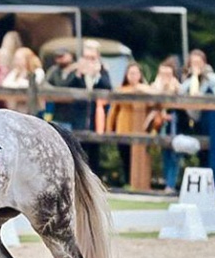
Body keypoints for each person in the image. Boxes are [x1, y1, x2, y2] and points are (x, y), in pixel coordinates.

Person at [66, 39, 112, 175]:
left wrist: (96, 75)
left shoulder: (103, 72)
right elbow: (68, 87)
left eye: (92, 57)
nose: (89, 61)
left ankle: (94, 177)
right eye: (86, 57)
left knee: (94, 150)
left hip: (95, 116)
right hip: (79, 115)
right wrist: (79, 74)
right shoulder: (77, 71)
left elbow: (108, 87)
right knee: (77, 148)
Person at [105, 62, 153, 184]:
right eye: (131, 73)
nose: (133, 76)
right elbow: (113, 112)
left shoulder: (146, 91)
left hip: (141, 128)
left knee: (140, 158)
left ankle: (138, 183)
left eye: (136, 73)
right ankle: (127, 181)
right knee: (125, 157)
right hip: (123, 127)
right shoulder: (121, 91)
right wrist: (109, 129)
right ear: (126, 75)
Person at [149, 58, 182, 193]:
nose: (165, 77)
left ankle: (171, 184)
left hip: (173, 121)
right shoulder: (155, 85)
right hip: (160, 122)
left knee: (174, 153)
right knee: (164, 153)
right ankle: (167, 182)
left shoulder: (177, 86)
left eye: (168, 74)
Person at [43, 47, 76, 128]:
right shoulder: (54, 70)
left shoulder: (77, 70)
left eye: (62, 56)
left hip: (73, 112)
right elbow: (45, 84)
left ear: (70, 56)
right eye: (57, 57)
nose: (60, 59)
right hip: (56, 111)